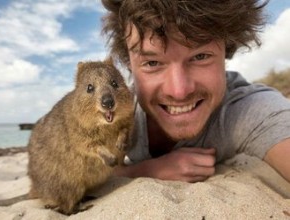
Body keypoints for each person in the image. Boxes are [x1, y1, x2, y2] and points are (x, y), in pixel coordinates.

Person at [101, 0, 290, 183]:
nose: (179, 91)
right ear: (128, 64)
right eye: (152, 63)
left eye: (200, 56)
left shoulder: (251, 109)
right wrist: (146, 170)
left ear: (227, 48)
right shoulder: (113, 111)